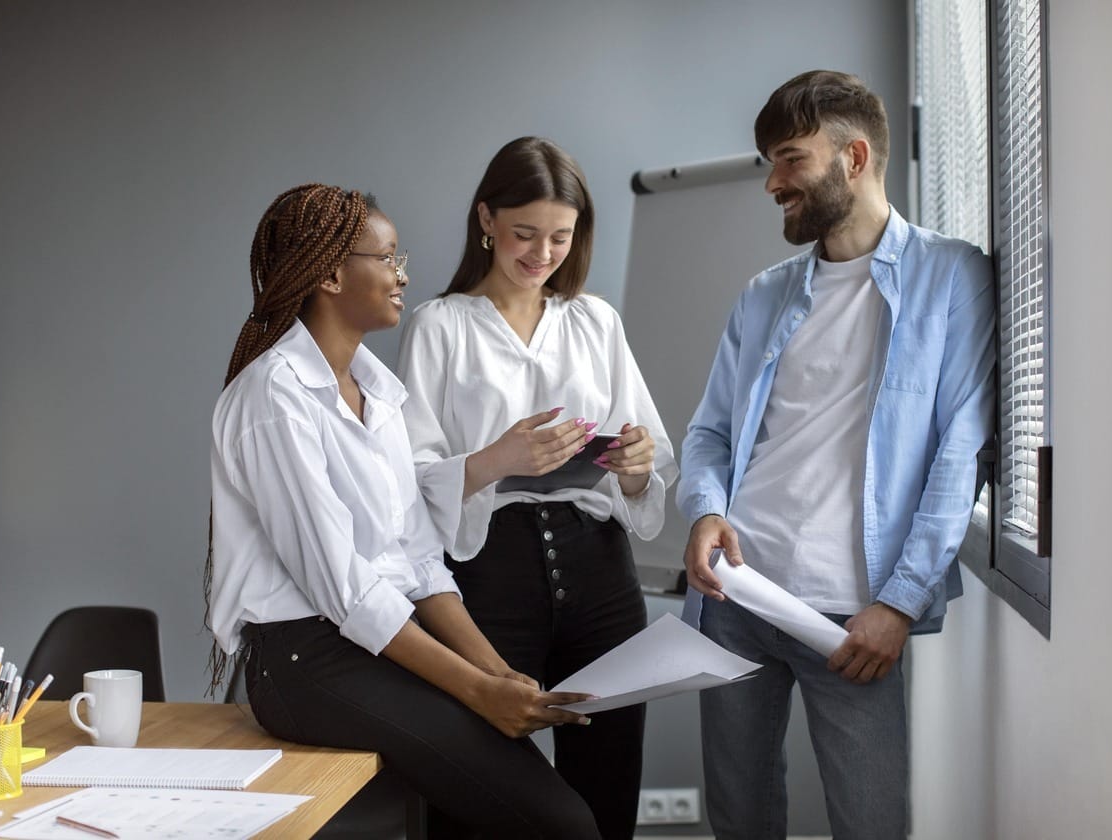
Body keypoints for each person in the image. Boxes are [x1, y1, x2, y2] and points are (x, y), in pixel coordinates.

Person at [205, 183, 604, 840]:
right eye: (388, 258)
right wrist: (477, 691)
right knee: (559, 823)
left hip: (373, 641)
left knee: (546, 811)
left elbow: (418, 561)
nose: (403, 276)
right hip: (303, 660)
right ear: (331, 274)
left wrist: (497, 672)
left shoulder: (380, 393)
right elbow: (345, 590)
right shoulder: (275, 398)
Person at [678, 71, 995, 840]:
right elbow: (710, 432)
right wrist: (706, 511)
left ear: (853, 158)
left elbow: (962, 450)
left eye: (791, 159)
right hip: (736, 597)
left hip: (855, 620)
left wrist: (901, 602)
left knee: (872, 822)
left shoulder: (952, 277)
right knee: (739, 820)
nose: (773, 184)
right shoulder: (763, 294)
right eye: (770, 164)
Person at [397, 137, 677, 840]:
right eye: (525, 233)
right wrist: (497, 459)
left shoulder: (595, 321)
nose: (542, 253)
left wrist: (634, 465)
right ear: (486, 219)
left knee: (608, 778)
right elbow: (406, 482)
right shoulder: (439, 326)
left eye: (560, 236)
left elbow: (644, 467)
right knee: (477, 787)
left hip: (600, 570)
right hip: (486, 574)